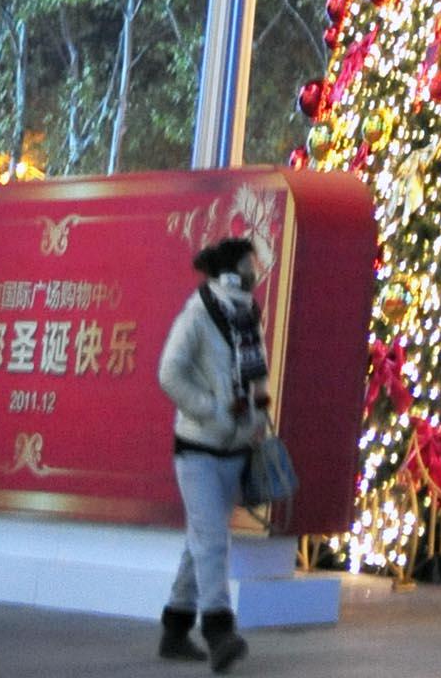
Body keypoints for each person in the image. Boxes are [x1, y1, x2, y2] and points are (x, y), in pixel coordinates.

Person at [156, 234, 270, 670]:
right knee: (212, 540)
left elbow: (255, 372)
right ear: (231, 270)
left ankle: (175, 626)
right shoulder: (199, 314)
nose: (255, 270)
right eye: (249, 263)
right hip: (198, 448)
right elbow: (169, 372)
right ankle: (220, 630)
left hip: (236, 448)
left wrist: (256, 420)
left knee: (200, 540)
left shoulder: (247, 314)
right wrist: (210, 410)